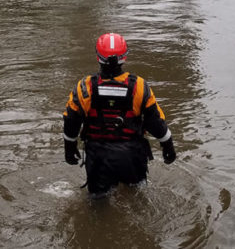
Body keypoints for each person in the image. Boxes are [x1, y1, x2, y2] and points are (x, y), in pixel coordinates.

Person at [63, 33, 177, 196]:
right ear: (125, 57)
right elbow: (156, 122)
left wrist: (69, 147)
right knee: (136, 198)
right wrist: (168, 147)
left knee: (98, 202)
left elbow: (71, 120)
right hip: (132, 156)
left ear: (98, 57)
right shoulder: (139, 87)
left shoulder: (85, 88)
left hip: (98, 158)